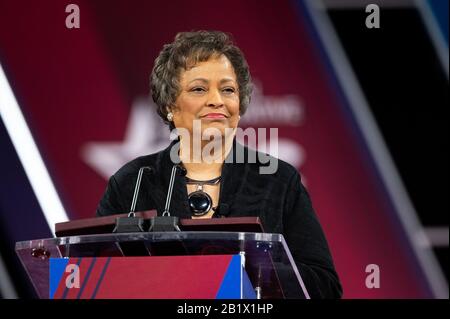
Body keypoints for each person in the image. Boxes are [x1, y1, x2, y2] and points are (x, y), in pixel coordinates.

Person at [96, 30, 342, 298]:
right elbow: (93, 277)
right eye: (199, 89)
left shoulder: (278, 180)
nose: (217, 100)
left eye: (228, 89)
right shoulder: (133, 181)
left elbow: (325, 287)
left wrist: (257, 270)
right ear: (170, 105)